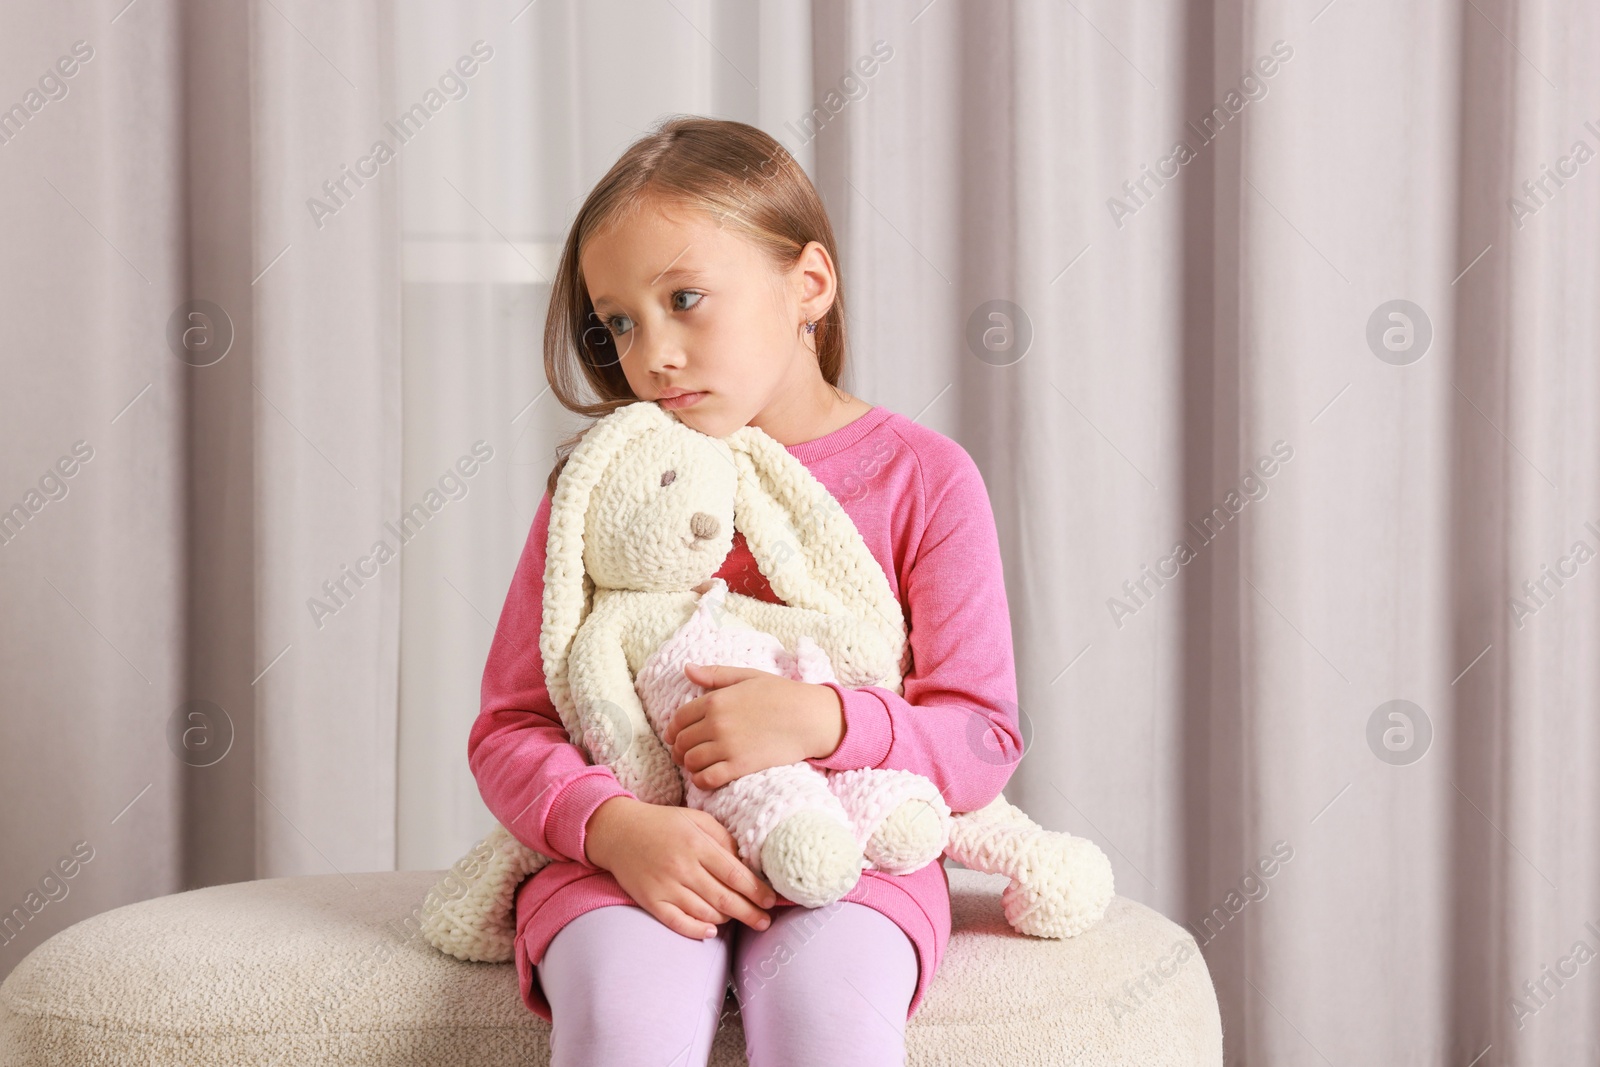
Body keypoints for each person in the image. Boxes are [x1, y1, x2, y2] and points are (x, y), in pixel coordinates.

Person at [467, 114, 1022, 1067]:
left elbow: (982, 735)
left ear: (808, 283)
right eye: (620, 322)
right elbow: (510, 727)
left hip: (845, 848)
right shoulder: (606, 486)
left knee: (828, 1025)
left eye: (685, 298)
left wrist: (825, 722)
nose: (650, 356)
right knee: (625, 1030)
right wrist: (615, 828)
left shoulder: (922, 478)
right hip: (633, 851)